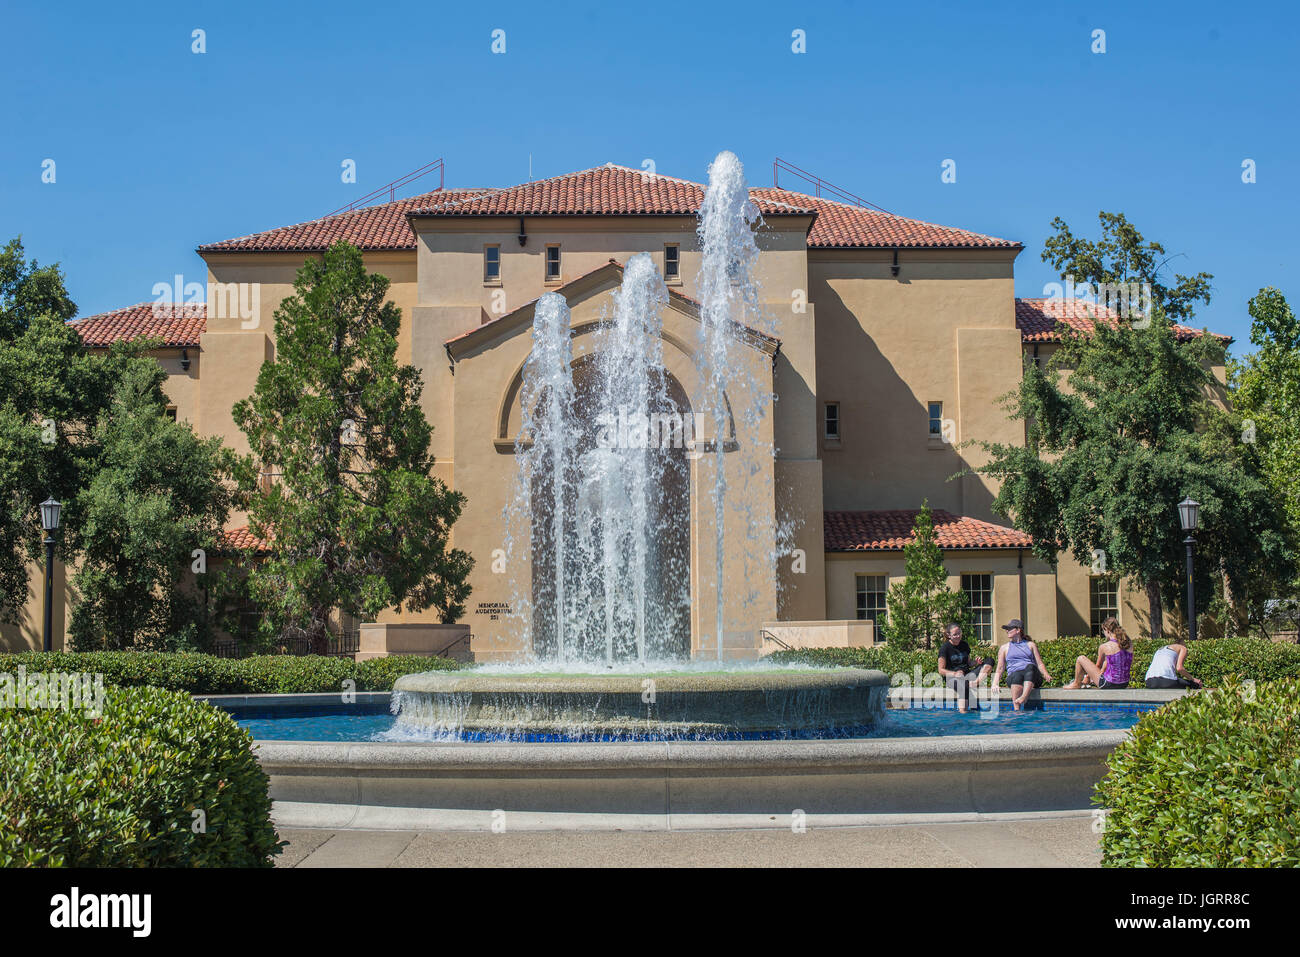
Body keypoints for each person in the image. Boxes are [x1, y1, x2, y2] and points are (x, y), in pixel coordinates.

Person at [992, 619, 1052, 711]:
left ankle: (1024, 697)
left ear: (1018, 630)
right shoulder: (1004, 648)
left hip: (1032, 677)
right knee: (1016, 674)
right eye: (1006, 629)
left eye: (1009, 628)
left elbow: (1039, 663)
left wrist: (1046, 674)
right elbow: (1000, 667)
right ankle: (1017, 709)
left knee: (1030, 667)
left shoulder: (1030, 645)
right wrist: (995, 683)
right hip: (1015, 677)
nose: (1007, 631)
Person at [1061, 617, 1133, 690]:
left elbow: (1098, 665)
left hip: (1108, 684)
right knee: (1108, 661)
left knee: (1081, 658)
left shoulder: (1104, 647)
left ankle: (1076, 684)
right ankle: (1081, 682)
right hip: (1124, 684)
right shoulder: (1129, 643)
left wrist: (1087, 678)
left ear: (1107, 630)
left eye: (1103, 631)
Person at [937, 622, 992, 713]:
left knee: (989, 660)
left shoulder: (964, 645)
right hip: (952, 678)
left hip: (967, 675)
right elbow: (941, 670)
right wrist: (955, 673)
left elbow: (968, 663)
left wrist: (975, 662)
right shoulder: (945, 648)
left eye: (959, 633)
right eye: (955, 634)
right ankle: (963, 713)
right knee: (963, 685)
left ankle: (975, 682)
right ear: (948, 635)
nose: (958, 636)